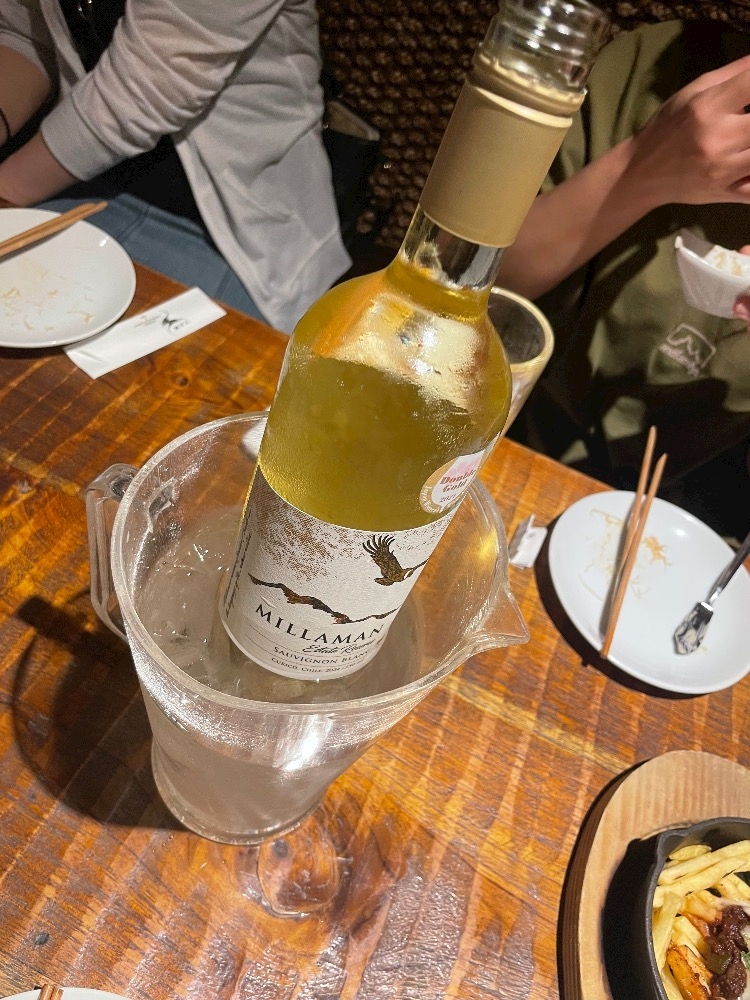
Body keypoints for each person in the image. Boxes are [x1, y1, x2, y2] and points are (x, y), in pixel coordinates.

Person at [497, 19, 750, 539]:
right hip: (515, 433)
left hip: (700, 515)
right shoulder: (651, 67)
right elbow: (473, 284)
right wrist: (641, 167)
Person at [0, 0, 351, 333]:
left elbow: (151, 86)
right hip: (76, 183)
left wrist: (6, 193)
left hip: (230, 231)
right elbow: (27, 33)